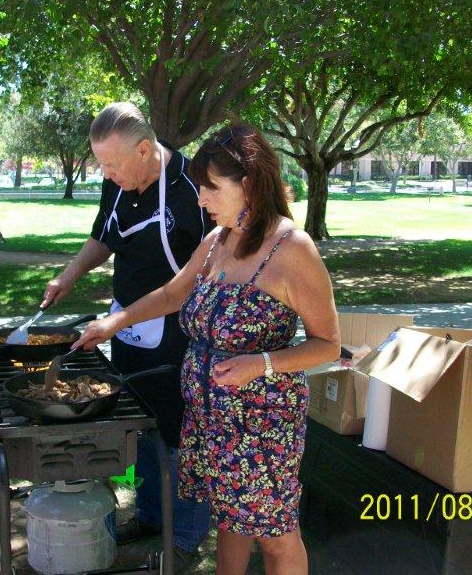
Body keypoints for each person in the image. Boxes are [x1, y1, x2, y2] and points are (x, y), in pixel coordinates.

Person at [74, 123, 341, 575]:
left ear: (250, 184)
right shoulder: (219, 241)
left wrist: (261, 364)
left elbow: (328, 345)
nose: (200, 199)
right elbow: (170, 295)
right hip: (211, 420)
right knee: (230, 526)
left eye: (211, 188)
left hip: (262, 428)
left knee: (275, 536)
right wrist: (113, 322)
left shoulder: (292, 248)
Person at [41, 102, 212, 567]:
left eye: (112, 165)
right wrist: (70, 275)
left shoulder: (192, 189)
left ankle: (187, 534)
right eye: (101, 165)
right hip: (127, 325)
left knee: (181, 433)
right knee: (140, 424)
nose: (106, 174)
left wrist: (116, 322)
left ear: (144, 149)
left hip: (179, 331)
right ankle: (155, 516)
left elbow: (195, 282)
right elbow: (105, 234)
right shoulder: (118, 180)